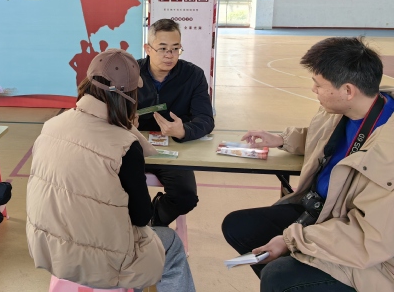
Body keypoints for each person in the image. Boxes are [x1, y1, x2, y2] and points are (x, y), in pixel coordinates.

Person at [222, 37, 394, 292]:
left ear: (348, 90)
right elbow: (323, 138)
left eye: (319, 84)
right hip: (321, 212)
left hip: (363, 247)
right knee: (239, 226)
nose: (314, 90)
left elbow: (368, 237)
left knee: (278, 276)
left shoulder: (388, 154)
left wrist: (292, 240)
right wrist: (282, 140)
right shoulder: (344, 110)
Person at [26, 49, 195, 292]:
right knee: (171, 244)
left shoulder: (52, 125)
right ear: (129, 96)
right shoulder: (124, 144)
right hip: (103, 263)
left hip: (47, 247)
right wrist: (126, 130)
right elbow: (141, 217)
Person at [137, 19, 214, 226]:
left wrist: (183, 131)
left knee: (185, 196)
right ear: (148, 49)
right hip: (133, 146)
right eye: (162, 48)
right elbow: (108, 113)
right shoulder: (130, 72)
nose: (169, 55)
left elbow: (206, 119)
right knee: (112, 186)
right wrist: (124, 122)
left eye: (175, 49)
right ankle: (131, 226)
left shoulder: (193, 75)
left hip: (173, 150)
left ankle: (151, 224)